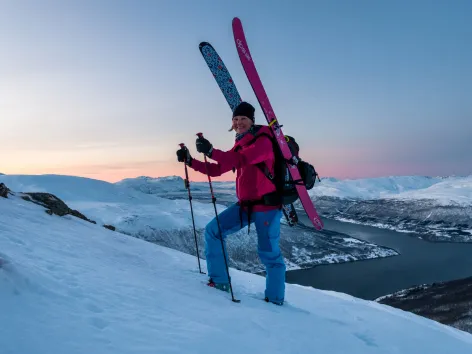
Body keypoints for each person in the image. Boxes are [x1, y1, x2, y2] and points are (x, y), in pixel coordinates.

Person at [176, 101, 286, 305]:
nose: (238, 122)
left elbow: (241, 160)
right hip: (245, 205)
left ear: (252, 120)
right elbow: (219, 169)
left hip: (267, 207)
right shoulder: (240, 144)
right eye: (235, 119)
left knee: (269, 254)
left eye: (243, 118)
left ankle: (275, 300)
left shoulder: (264, 140)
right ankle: (219, 283)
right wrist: (191, 161)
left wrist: (211, 152)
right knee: (213, 231)